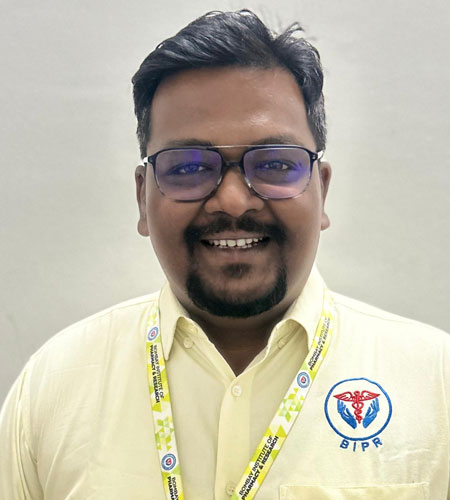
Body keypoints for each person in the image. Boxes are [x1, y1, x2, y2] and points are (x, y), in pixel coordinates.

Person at [1, 9, 449, 500]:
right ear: (142, 198)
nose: (233, 201)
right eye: (187, 167)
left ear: (321, 191)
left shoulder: (436, 385)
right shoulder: (54, 389)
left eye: (275, 163)